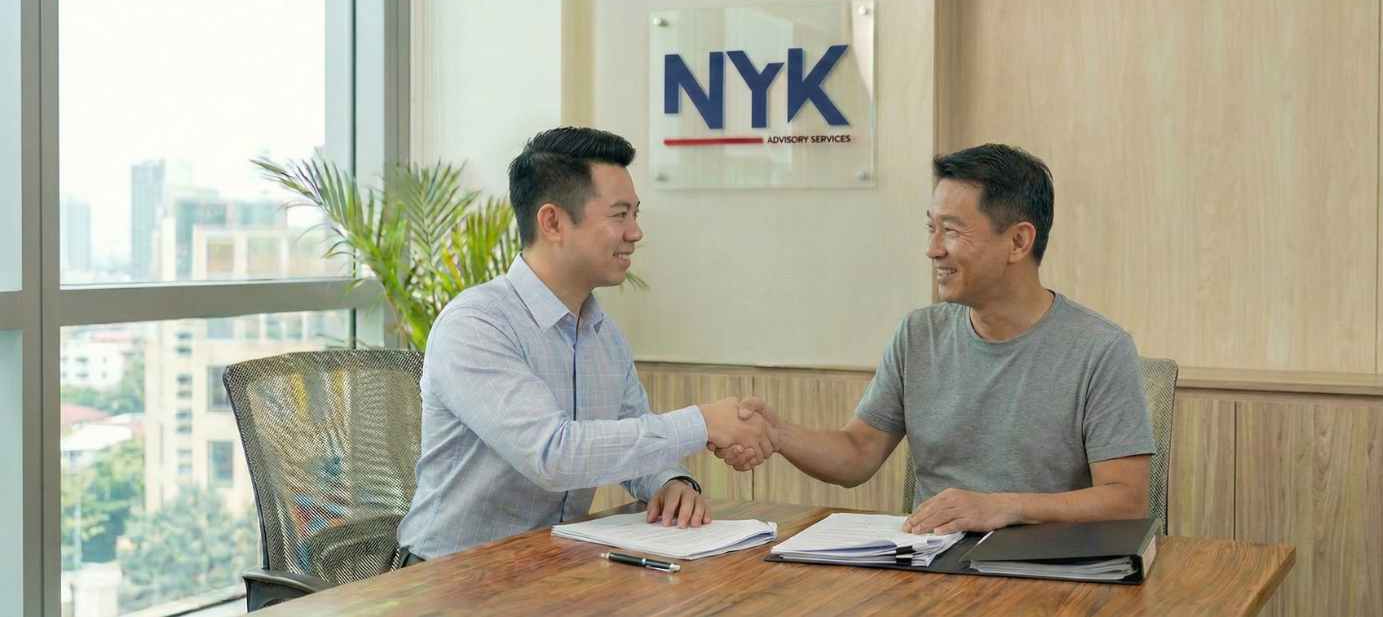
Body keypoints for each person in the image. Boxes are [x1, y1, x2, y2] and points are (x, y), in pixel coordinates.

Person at [716, 143, 1154, 536]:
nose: (933, 249)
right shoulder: (919, 334)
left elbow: (1126, 500)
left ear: (1019, 241)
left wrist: (1001, 508)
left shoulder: (1100, 349)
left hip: (1046, 574)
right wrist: (778, 434)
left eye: (952, 230)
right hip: (930, 567)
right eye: (931, 228)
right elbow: (857, 454)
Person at [397, 127, 772, 562]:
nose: (636, 233)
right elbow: (554, 455)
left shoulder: (602, 333)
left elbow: (632, 435)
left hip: (551, 568)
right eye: (619, 215)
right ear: (553, 222)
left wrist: (671, 483)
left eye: (636, 214)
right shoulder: (476, 325)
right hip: (449, 581)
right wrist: (703, 423)